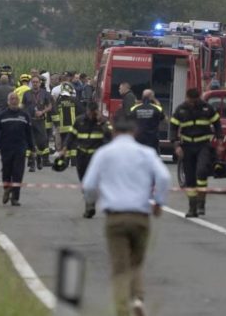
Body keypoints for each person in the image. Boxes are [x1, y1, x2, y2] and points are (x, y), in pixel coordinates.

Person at [82, 116, 170, 316]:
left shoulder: (104, 153)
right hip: (140, 216)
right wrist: (158, 202)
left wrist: (92, 201)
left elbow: (88, 185)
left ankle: (122, 310)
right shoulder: (146, 153)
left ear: (114, 133)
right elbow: (164, 177)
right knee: (135, 262)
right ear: (134, 132)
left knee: (119, 267)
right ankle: (138, 300)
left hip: (115, 217)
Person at [170, 88, 224, 218]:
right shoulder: (181, 109)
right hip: (187, 146)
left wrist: (220, 142)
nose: (191, 103)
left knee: (201, 172)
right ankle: (192, 208)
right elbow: (173, 127)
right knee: (189, 179)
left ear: (198, 98)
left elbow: (217, 123)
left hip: (203, 145)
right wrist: (176, 145)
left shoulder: (206, 108)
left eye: (194, 101)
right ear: (186, 97)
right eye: (189, 100)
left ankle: (201, 204)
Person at [61, 101, 112, 217]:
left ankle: (90, 205)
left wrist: (101, 123)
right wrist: (65, 148)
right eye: (89, 112)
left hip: (96, 157)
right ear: (87, 111)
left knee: (94, 181)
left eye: (93, 113)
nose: (91, 115)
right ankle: (90, 200)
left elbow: (110, 136)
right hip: (82, 155)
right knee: (84, 180)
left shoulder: (103, 122)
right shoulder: (80, 121)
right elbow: (71, 136)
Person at [0, 93, 34, 206]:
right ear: (8, 101)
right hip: (6, 148)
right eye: (11, 99)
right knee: (6, 171)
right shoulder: (2, 115)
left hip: (20, 148)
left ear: (19, 100)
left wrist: (32, 148)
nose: (14, 101)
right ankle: (7, 188)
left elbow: (29, 133)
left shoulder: (24, 115)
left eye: (15, 99)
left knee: (18, 173)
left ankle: (15, 198)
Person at [22, 76, 53, 172]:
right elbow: (23, 105)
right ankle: (32, 164)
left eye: (37, 82)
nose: (35, 83)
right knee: (31, 142)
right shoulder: (26, 93)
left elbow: (49, 106)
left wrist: (42, 111)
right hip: (30, 121)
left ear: (40, 83)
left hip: (40, 121)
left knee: (42, 142)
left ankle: (39, 157)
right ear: (31, 83)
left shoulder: (45, 93)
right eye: (33, 82)